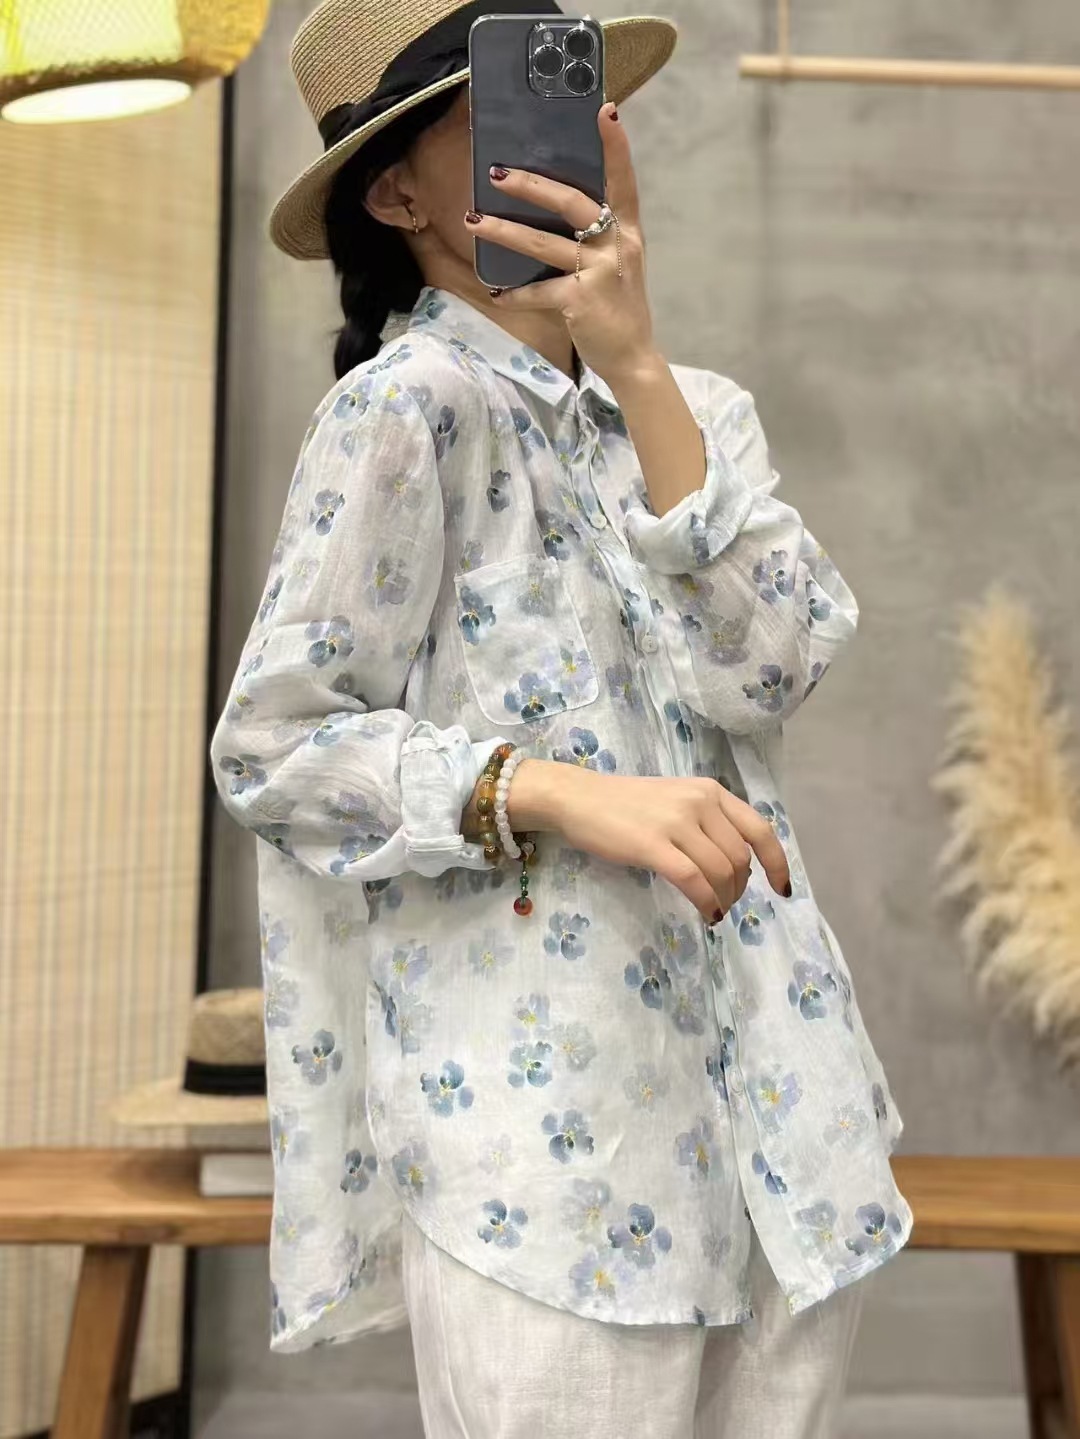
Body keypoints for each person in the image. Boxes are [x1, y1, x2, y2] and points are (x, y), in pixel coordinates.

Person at [211, 0, 912, 1433]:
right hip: (552, 1154)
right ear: (398, 195)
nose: (568, 151)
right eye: (504, 118)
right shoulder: (406, 409)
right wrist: (559, 791)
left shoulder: (697, 410)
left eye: (578, 107)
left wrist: (639, 366)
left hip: (786, 1123)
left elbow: (776, 666)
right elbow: (273, 749)